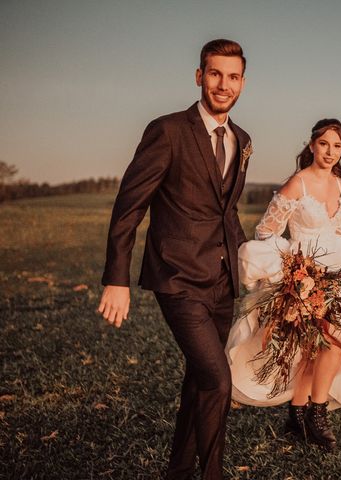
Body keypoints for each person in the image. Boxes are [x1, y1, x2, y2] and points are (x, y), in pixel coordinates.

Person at [98, 39, 252, 480]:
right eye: (216, 73)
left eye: (234, 76)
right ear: (199, 75)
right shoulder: (167, 130)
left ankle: (179, 471)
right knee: (219, 382)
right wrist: (117, 278)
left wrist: (255, 264)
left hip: (222, 282)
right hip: (177, 278)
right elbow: (129, 205)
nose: (224, 84)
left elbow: (228, 212)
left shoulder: (242, 140)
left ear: (244, 82)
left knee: (200, 381)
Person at [226, 119, 341, 451]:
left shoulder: (337, 183)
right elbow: (266, 231)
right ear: (311, 145)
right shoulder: (297, 184)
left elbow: (335, 232)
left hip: (336, 270)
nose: (330, 152)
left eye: (337, 146)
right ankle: (315, 417)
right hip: (305, 273)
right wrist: (292, 267)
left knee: (319, 346)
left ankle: (300, 414)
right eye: (324, 144)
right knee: (329, 342)